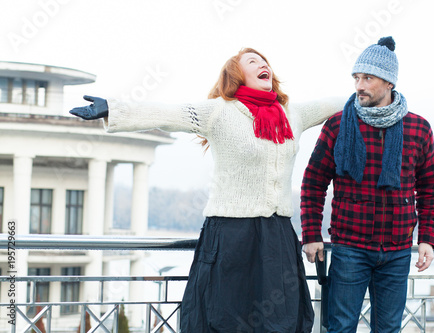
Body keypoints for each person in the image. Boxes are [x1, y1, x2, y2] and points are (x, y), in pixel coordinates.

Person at [70, 48, 345, 333]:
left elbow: (335, 103)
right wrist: (113, 109)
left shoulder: (292, 113)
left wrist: (378, 86)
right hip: (230, 236)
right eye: (253, 62)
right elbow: (169, 114)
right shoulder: (220, 111)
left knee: (280, 321)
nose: (264, 65)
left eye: (265, 62)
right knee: (223, 318)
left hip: (277, 237)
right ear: (237, 76)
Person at [300, 37, 434, 332]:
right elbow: (313, 182)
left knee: (388, 329)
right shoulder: (339, 124)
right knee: (340, 328)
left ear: (388, 82)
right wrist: (311, 233)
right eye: (356, 77)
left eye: (368, 78)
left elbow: (430, 190)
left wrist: (427, 238)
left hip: (397, 250)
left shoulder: (418, 127)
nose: (359, 85)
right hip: (349, 247)